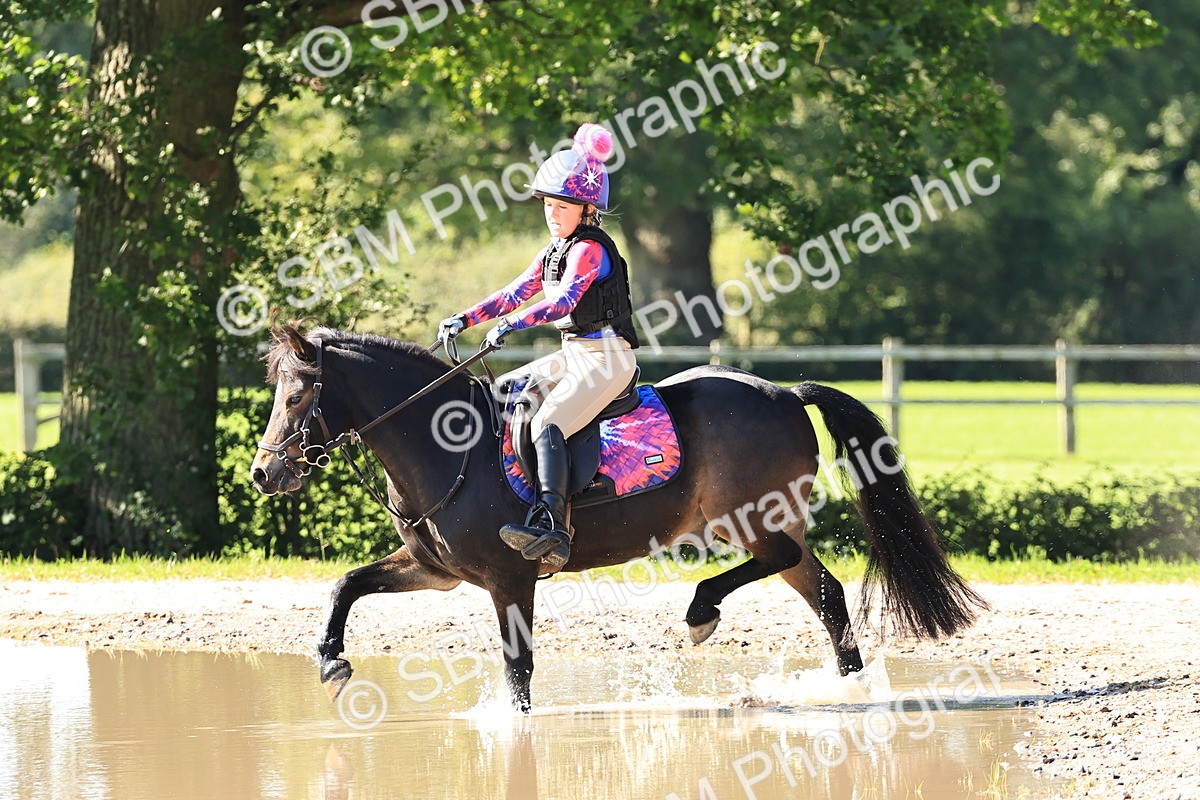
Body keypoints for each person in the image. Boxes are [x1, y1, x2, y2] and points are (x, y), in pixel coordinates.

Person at [438, 122, 640, 569]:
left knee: (547, 422)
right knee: (500, 395)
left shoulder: (589, 250)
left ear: (586, 208)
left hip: (607, 360)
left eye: (562, 205)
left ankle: (552, 524)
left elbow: (563, 301)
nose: (552, 212)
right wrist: (466, 317)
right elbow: (516, 291)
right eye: (548, 204)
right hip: (573, 354)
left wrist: (511, 325)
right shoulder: (554, 249)